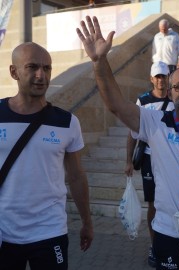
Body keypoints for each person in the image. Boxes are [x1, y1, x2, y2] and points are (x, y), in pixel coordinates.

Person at [77, 16, 179, 270]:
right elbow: (116, 105)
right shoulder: (156, 122)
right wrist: (100, 61)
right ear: (171, 92)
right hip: (169, 232)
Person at [0, 42, 93, 269]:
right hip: (4, 231)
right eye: (32, 67)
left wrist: (87, 221)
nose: (41, 75)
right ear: (14, 72)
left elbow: (76, 176)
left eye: (47, 68)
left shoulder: (67, 122)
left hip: (50, 231)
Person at [124, 61, 174, 268]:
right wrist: (128, 160)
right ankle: (156, 246)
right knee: (153, 203)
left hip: (171, 160)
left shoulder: (175, 99)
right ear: (151, 79)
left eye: (164, 76)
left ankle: (174, 242)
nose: (161, 80)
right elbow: (132, 131)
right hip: (149, 159)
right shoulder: (143, 100)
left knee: (171, 201)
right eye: (158, 77)